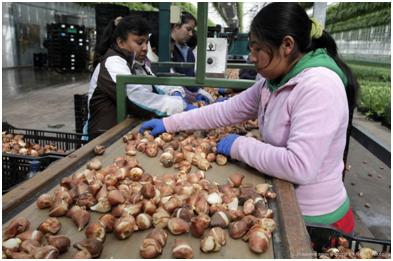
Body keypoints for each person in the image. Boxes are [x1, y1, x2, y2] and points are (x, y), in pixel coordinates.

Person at [140, 3, 359, 234]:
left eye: (256, 49)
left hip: (314, 220)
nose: (250, 57)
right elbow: (227, 110)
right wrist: (170, 123)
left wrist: (239, 145)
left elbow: (300, 166)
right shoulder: (274, 80)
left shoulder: (319, 86)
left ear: (287, 45)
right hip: (280, 202)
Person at [85, 16, 197, 140]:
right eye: (139, 43)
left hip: (125, 132)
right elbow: (136, 97)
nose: (145, 48)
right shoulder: (113, 64)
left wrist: (175, 91)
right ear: (121, 42)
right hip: (103, 137)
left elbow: (156, 84)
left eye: (146, 42)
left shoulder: (137, 64)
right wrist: (180, 106)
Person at [171, 11, 213, 104]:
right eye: (188, 29)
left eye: (192, 30)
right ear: (176, 26)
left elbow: (190, 76)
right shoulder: (165, 50)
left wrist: (198, 90)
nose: (190, 34)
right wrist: (196, 93)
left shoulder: (188, 51)